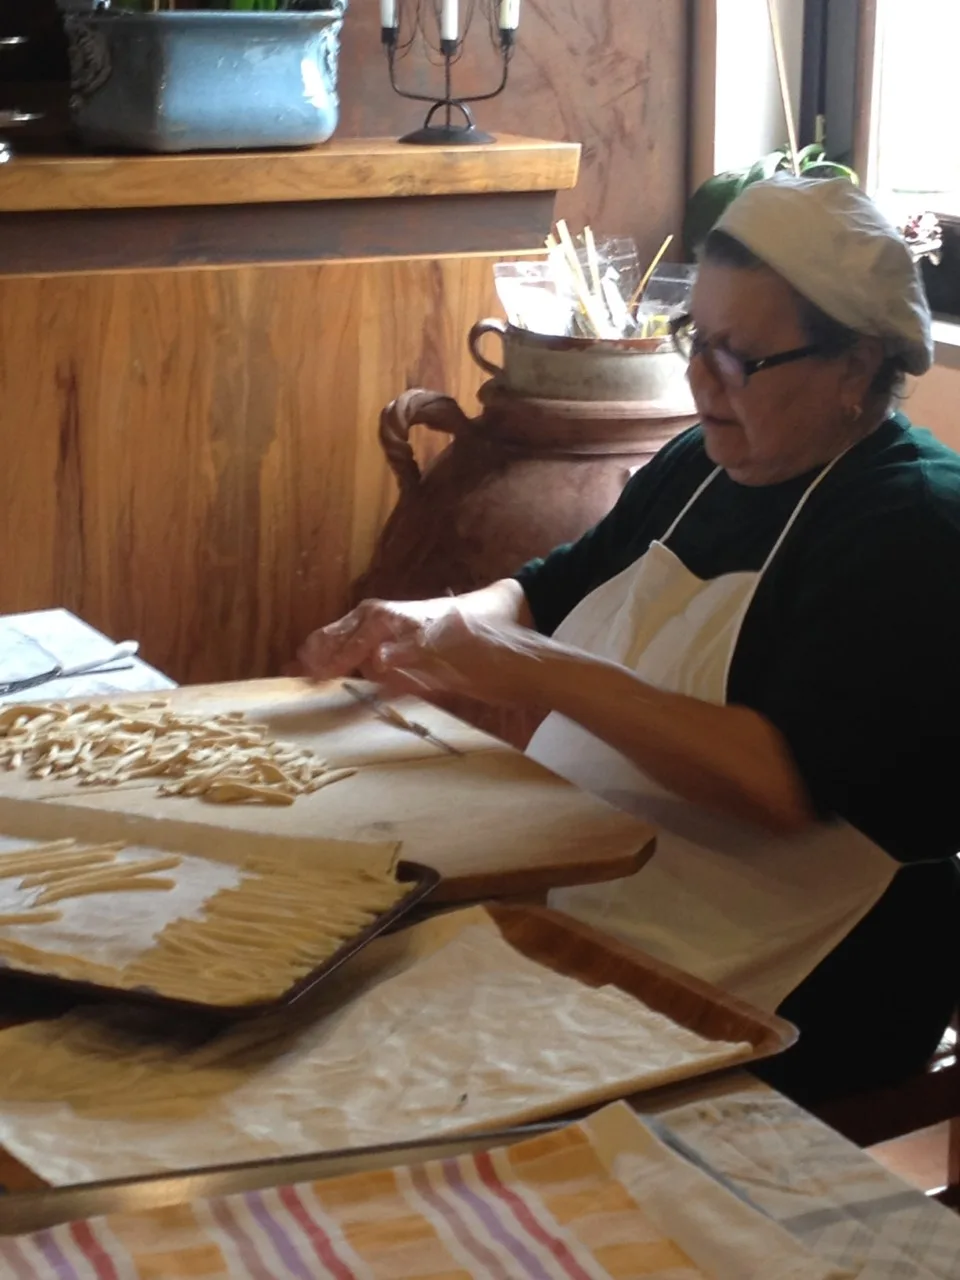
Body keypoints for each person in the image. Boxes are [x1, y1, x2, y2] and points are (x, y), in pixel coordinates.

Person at [299, 176, 960, 1106]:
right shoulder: (704, 461)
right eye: (698, 339)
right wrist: (434, 622)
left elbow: (783, 787)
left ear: (856, 365)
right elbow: (550, 587)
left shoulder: (914, 522)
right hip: (603, 889)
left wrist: (537, 672)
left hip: (801, 978)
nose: (701, 379)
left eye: (742, 358)